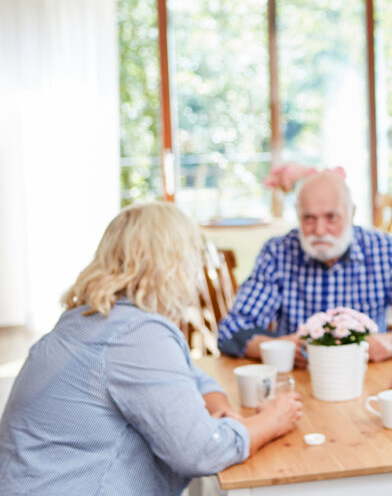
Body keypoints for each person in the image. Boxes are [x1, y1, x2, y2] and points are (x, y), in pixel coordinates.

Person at [0, 203, 302, 495]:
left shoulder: (88, 319)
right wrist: (272, 420)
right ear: (174, 263)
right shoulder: (138, 334)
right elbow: (201, 451)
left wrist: (220, 407)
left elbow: (189, 375)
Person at [218, 169, 392, 364]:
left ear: (351, 213)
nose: (319, 230)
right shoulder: (278, 253)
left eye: (331, 217)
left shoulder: (386, 250)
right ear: (297, 216)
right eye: (309, 218)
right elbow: (233, 328)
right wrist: (277, 348)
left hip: (367, 371)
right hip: (300, 377)